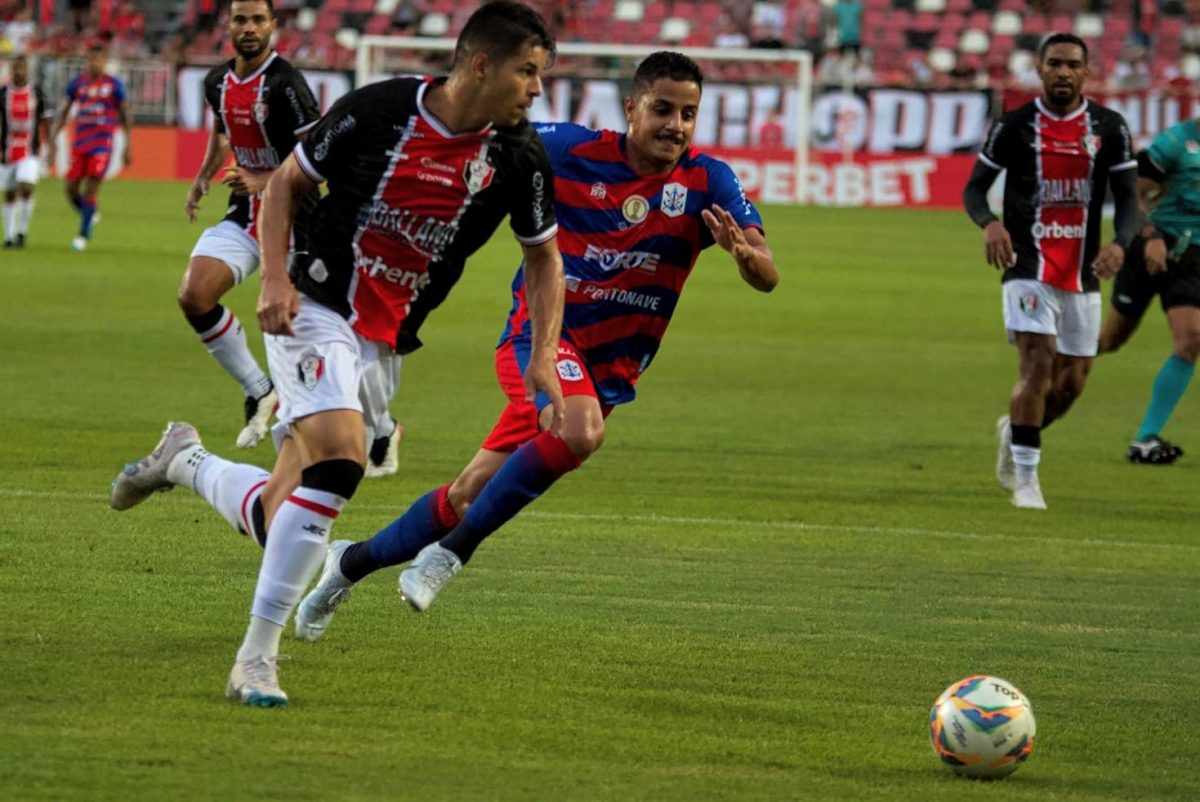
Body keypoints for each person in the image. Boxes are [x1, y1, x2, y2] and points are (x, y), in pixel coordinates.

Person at [109, 1, 562, 708]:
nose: (535, 89)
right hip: (315, 303)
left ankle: (184, 460)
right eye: (527, 72)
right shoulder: (380, 109)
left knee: (283, 514)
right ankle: (255, 659)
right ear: (481, 64)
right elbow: (287, 182)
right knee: (343, 458)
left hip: (384, 341)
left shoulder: (517, 155)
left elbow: (543, 257)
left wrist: (541, 354)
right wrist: (278, 277)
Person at [292, 51, 778, 638]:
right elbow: (490, 135)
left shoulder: (707, 180)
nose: (675, 124)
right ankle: (451, 555)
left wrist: (746, 257)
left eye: (688, 113)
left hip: (608, 371)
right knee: (580, 431)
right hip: (541, 340)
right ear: (632, 108)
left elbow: (767, 272)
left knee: (471, 492)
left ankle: (348, 563)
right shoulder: (569, 149)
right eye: (662, 109)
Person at [962, 33, 1140, 510]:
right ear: (1039, 69)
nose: (1064, 72)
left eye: (1073, 65)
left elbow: (1128, 200)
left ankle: (1015, 430)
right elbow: (975, 190)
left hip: (1084, 271)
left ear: (1087, 71)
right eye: (1055, 64)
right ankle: (1027, 480)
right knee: (1037, 364)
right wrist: (989, 224)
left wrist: (1122, 245)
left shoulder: (1110, 127)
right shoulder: (1015, 126)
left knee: (1072, 384)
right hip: (1027, 265)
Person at [182, 0, 320, 449]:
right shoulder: (216, 81)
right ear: (229, 24)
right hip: (245, 214)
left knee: (310, 338)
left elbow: (318, 154)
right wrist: (204, 175)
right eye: (240, 19)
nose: (249, 28)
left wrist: (264, 179)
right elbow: (222, 133)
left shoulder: (287, 85)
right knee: (195, 295)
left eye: (258, 20)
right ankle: (259, 390)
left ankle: (377, 426)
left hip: (297, 218)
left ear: (273, 27)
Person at [1097, 118, 1200, 464]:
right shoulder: (1176, 141)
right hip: (1150, 249)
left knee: (1191, 338)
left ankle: (1144, 439)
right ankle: (1043, 372)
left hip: (1193, 258)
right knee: (1110, 340)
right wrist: (1151, 236)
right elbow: (1132, 194)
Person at [48, 42, 132, 252]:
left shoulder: (114, 85)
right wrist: (52, 142)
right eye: (92, 59)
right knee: (71, 190)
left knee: (91, 187)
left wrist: (128, 145)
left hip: (102, 144)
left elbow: (125, 115)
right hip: (80, 143)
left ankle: (82, 236)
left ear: (105, 61)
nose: (95, 63)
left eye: (99, 59)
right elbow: (63, 112)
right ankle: (90, 214)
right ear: (87, 61)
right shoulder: (77, 84)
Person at [1, 55, 51, 249]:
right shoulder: (3, 94)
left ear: (27, 70)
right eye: (16, 68)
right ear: (11, 70)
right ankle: (9, 235)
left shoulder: (36, 93)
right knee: (10, 194)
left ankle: (22, 231)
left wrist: (52, 145)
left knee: (27, 186)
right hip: (6, 151)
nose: (19, 72)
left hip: (30, 149)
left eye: (22, 68)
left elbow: (46, 120)